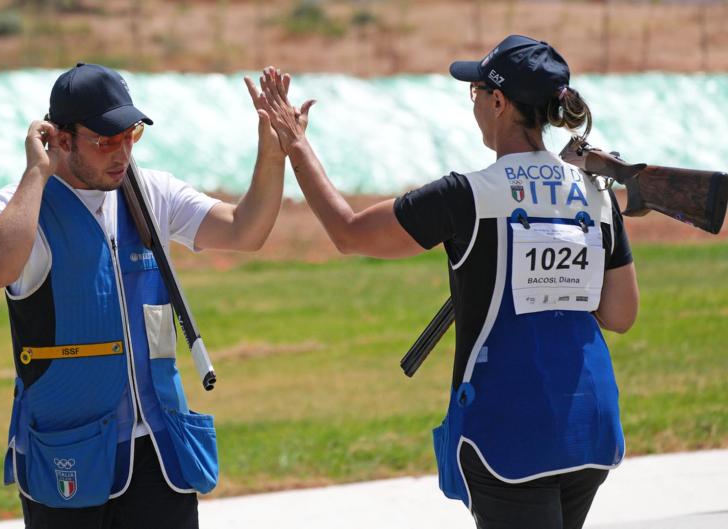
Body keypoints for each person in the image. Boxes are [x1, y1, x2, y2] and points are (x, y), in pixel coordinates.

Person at [257, 34, 639, 529]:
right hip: (591, 424)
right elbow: (620, 315)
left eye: (476, 92)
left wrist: (296, 144)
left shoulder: (468, 196)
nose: (474, 103)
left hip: (509, 431)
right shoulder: (598, 196)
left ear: (498, 101)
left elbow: (349, 233)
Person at [0, 63, 289, 529]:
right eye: (104, 141)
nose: (121, 153)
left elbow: (247, 229)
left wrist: (274, 153)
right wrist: (36, 174)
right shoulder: (18, 205)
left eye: (130, 135)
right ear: (59, 139)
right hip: (68, 455)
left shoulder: (151, 191)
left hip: (160, 453)